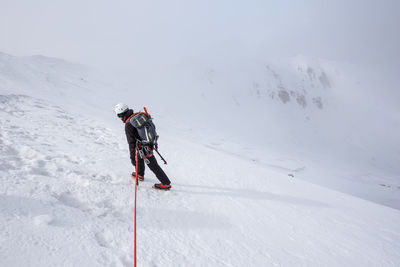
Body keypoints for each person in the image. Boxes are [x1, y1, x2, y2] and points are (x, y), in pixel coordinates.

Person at [114, 103, 172, 190]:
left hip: (145, 146)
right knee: (139, 156)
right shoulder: (137, 116)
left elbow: (131, 143)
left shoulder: (129, 125)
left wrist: (132, 158)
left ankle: (166, 183)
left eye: (119, 116)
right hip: (146, 144)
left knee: (152, 164)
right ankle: (140, 174)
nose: (119, 118)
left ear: (121, 114)